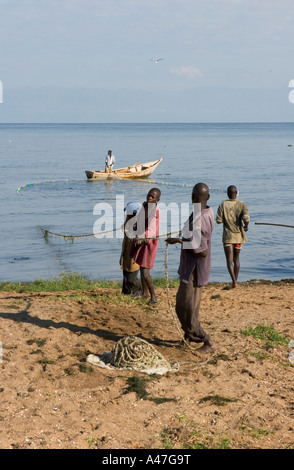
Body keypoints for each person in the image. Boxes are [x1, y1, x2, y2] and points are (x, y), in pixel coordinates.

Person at [166, 183, 216, 354]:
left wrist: (179, 241)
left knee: (186, 308)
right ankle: (188, 336)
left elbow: (201, 251)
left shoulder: (201, 219)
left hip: (195, 270)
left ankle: (206, 341)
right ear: (207, 198)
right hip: (189, 268)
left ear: (192, 196)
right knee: (187, 305)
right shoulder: (202, 212)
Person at [129, 188, 161, 305]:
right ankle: (144, 293)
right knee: (141, 266)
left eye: (153, 197)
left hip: (149, 241)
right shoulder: (144, 205)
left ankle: (154, 298)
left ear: (157, 199)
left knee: (145, 271)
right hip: (141, 239)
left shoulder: (156, 211)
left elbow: (152, 228)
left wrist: (143, 237)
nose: (150, 198)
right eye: (149, 195)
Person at [216, 185, 250, 288]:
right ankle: (236, 281)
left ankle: (234, 282)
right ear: (236, 193)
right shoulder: (242, 204)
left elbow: (218, 221)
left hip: (227, 237)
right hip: (239, 237)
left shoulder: (223, 204)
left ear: (227, 193)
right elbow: (246, 218)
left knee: (229, 261)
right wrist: (246, 227)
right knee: (237, 259)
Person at [120, 202, 142, 296]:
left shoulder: (140, 225)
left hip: (134, 255)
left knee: (131, 277)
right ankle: (126, 292)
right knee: (125, 273)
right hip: (126, 252)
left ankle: (139, 291)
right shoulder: (128, 223)